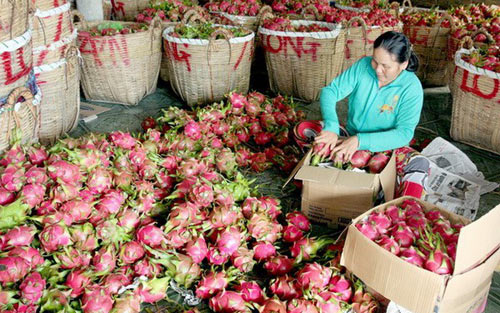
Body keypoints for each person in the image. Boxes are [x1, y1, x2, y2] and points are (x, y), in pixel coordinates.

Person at [315, 31, 429, 198]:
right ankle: (365, 174)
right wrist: (332, 126)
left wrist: (361, 141)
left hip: (385, 147)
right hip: (348, 138)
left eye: (386, 66)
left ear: (403, 64)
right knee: (307, 130)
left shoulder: (411, 88)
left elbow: (404, 133)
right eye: (375, 61)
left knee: (419, 163)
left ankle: (405, 205)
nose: (377, 69)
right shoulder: (363, 66)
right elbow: (331, 92)